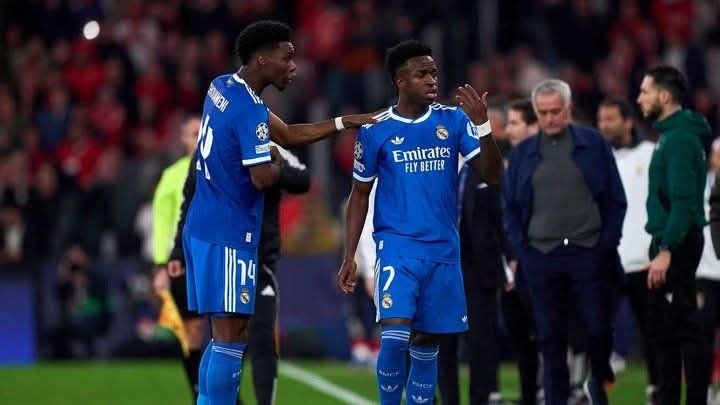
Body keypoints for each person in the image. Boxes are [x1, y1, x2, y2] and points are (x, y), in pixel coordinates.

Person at [173, 20, 375, 405]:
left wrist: (342, 123)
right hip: (229, 234)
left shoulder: (222, 86)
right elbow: (263, 177)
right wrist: (281, 165)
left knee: (222, 334)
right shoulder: (249, 109)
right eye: (287, 58)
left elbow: (288, 134)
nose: (294, 66)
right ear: (262, 59)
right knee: (232, 338)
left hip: (202, 227)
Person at [336, 40, 503, 405]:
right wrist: (350, 256)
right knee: (396, 334)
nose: (432, 80)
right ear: (400, 80)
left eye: (434, 73)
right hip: (397, 248)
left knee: (427, 342)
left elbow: (492, 175)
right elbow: (359, 195)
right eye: (422, 74)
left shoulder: (453, 121)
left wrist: (483, 126)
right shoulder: (375, 129)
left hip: (443, 250)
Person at [503, 79, 626, 405]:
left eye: (556, 111)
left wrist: (605, 245)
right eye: (543, 113)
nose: (550, 118)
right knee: (549, 338)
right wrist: (523, 251)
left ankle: (596, 385)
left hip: (588, 253)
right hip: (541, 256)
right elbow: (510, 208)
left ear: (569, 109)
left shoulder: (594, 144)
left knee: (598, 329)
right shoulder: (523, 153)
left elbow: (616, 199)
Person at [637, 65, 712, 405]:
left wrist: (666, 249)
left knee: (679, 330)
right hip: (673, 239)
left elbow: (682, 202)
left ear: (665, 96)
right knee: (667, 330)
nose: (640, 98)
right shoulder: (673, 134)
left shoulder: (679, 139)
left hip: (676, 242)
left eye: (645, 91)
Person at [596, 98, 659, 402]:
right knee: (596, 328)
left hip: (645, 260)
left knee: (653, 332)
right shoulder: (597, 158)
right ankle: (595, 387)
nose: (604, 125)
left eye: (610, 119)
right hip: (607, 258)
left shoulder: (651, 154)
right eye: (601, 120)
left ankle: (656, 388)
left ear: (628, 121)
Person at [151, 116, 204, 401]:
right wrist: (161, 266)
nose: (198, 137)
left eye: (201, 131)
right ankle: (200, 392)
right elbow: (162, 224)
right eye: (192, 133)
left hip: (216, 257)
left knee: (230, 329)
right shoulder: (172, 176)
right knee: (192, 331)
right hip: (183, 262)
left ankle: (222, 393)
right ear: (183, 139)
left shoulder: (221, 168)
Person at [500, 98, 542, 405]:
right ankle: (530, 395)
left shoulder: (545, 161)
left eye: (515, 123)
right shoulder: (510, 161)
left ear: (533, 126)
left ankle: (556, 390)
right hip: (512, 260)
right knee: (521, 333)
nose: (509, 129)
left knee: (547, 331)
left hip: (538, 258)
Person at [694, 138, 720, 403]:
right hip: (704, 274)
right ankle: (703, 391)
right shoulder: (698, 187)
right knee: (702, 336)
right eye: (717, 154)